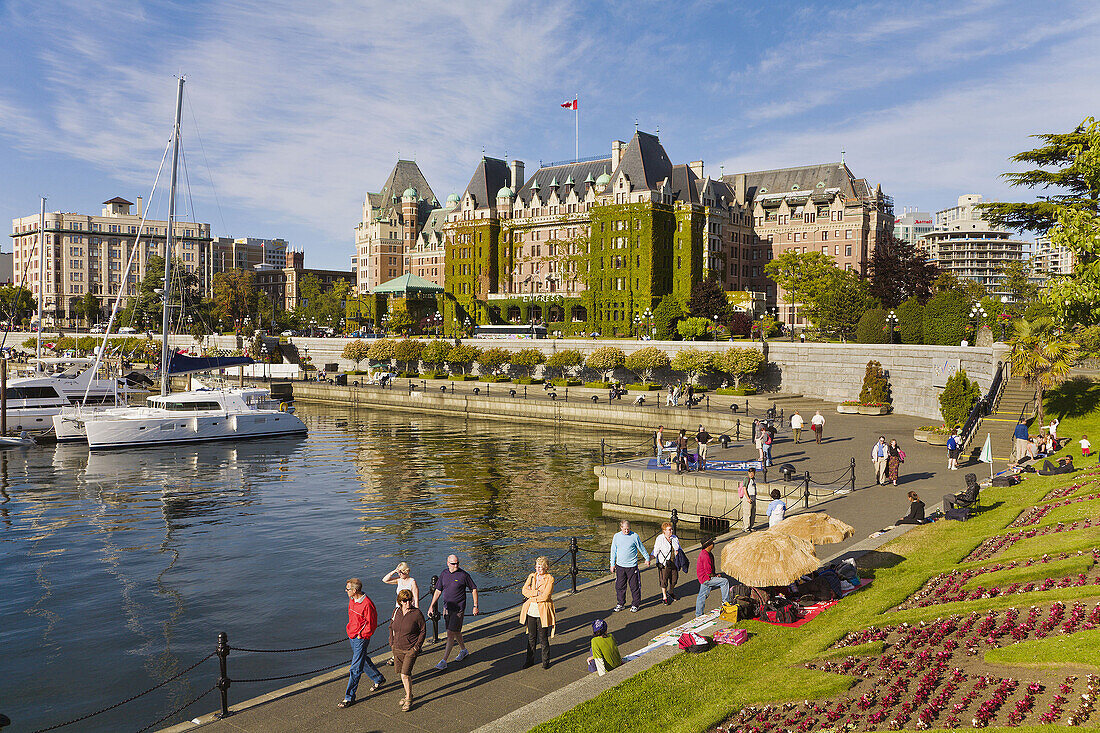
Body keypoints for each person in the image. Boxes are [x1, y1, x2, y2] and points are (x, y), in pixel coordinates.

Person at [339, 578, 384, 708]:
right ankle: (378, 678)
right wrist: (350, 630)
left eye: (347, 589)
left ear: (354, 590)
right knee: (362, 659)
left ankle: (349, 697)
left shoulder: (367, 604)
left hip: (360, 638)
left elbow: (372, 624)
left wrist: (361, 635)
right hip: (352, 634)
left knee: (355, 668)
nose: (345, 591)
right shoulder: (352, 599)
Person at [430, 555, 479, 670]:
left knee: (450, 633)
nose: (456, 565)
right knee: (456, 631)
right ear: (447, 563)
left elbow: (474, 589)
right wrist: (431, 606)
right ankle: (463, 650)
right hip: (447, 608)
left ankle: (444, 661)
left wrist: (475, 606)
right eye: (453, 563)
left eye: (457, 563)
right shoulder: (444, 574)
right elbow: (438, 590)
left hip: (458, 609)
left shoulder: (463, 575)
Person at [388, 588, 425, 712]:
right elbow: (391, 626)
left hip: (410, 649)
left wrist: (416, 647)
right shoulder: (396, 611)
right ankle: (407, 694)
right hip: (397, 648)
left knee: (405, 674)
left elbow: (423, 631)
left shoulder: (417, 613)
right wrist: (391, 642)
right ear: (400, 601)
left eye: (410, 600)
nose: (408, 603)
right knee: (402, 674)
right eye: (405, 600)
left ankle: (409, 698)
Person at [520, 556, 556, 669]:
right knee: (531, 637)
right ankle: (529, 660)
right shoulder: (531, 577)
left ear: (546, 568)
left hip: (542, 612)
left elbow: (546, 596)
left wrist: (532, 596)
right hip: (531, 611)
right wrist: (536, 593)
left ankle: (545, 661)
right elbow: (524, 591)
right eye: (537, 566)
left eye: (541, 567)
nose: (538, 569)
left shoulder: (550, 579)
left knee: (543, 638)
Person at [609, 519, 650, 612]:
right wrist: (612, 564)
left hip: (632, 566)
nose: (627, 531)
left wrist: (647, 558)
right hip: (620, 566)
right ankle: (620, 603)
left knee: (634, 586)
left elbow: (641, 548)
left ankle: (636, 604)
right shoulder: (616, 536)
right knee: (619, 586)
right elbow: (613, 551)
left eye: (628, 529)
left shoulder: (634, 536)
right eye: (625, 529)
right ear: (621, 528)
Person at [695, 536, 730, 617]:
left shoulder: (707, 553)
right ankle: (726, 602)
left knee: (702, 595)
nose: (713, 544)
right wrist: (716, 576)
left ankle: (698, 614)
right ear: (708, 545)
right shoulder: (705, 555)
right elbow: (708, 572)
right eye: (712, 543)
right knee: (724, 582)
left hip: (703, 577)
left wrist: (715, 575)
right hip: (706, 578)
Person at [652, 521, 682, 605]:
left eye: (671, 529)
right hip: (664, 563)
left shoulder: (675, 538)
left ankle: (671, 591)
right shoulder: (660, 538)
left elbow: (679, 548)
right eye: (669, 530)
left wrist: (678, 553)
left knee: (674, 580)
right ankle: (664, 596)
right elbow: (656, 550)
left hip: (674, 562)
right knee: (664, 580)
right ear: (664, 530)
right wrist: (651, 557)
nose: (671, 531)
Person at [741, 467, 758, 532]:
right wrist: (748, 498)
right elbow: (744, 488)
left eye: (752, 473)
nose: (751, 474)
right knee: (747, 513)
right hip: (748, 498)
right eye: (750, 473)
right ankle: (746, 527)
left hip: (753, 497)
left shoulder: (754, 479)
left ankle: (751, 526)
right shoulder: (746, 479)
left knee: (753, 513)